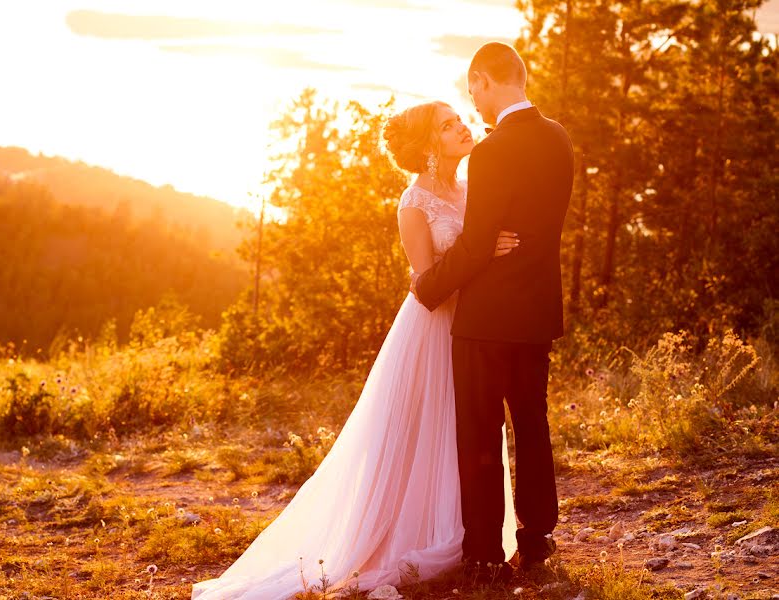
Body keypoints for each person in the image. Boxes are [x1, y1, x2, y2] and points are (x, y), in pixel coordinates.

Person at [190, 99, 520, 599]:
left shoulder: (472, 190)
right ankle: (408, 536)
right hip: (432, 328)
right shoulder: (414, 203)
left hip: (475, 327)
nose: (463, 128)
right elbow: (425, 282)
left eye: (460, 120)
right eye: (449, 125)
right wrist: (479, 256)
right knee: (421, 429)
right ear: (430, 144)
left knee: (464, 429)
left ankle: (462, 529)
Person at [412, 42, 574, 580]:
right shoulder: (558, 139)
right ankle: (536, 537)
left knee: (479, 433)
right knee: (532, 424)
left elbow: (479, 244)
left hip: (483, 320)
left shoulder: (491, 151)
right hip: (535, 314)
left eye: (473, 91)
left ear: (485, 80)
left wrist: (427, 289)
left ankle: (483, 552)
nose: (473, 106)